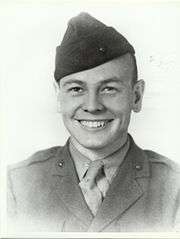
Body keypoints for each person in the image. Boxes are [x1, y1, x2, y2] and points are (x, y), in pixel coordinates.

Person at [7, 12, 180, 232]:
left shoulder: (174, 188)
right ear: (59, 97)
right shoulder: (18, 184)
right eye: (76, 89)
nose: (92, 106)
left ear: (136, 96)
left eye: (109, 89)